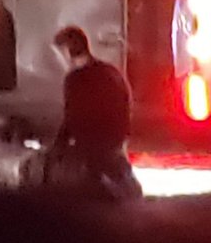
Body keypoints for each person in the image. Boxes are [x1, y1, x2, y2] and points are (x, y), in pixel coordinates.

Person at [43, 26, 142, 200]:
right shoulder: (111, 72)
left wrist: (56, 148)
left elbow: (72, 119)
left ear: (67, 52)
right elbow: (127, 103)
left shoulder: (74, 80)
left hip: (92, 147)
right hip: (116, 142)